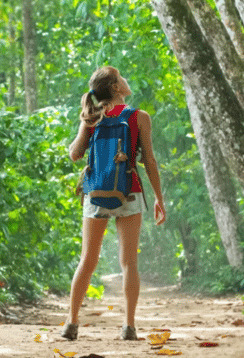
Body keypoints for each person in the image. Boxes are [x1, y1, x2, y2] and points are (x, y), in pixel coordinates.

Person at [62, 66, 166, 341]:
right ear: (117, 88)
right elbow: (150, 161)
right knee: (129, 262)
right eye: (122, 78)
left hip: (95, 193)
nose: (126, 80)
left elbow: (74, 154)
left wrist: (84, 121)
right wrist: (158, 198)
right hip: (129, 192)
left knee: (87, 260)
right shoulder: (139, 117)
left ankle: (71, 323)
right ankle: (129, 326)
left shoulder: (92, 117)